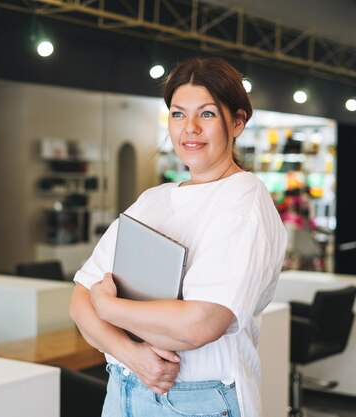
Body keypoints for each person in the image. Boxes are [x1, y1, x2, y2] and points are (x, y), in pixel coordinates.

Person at [69, 57, 287, 417]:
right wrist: (133, 355)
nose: (190, 129)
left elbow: (199, 324)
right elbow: (80, 300)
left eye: (207, 114)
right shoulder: (152, 200)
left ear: (237, 122)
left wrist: (109, 308)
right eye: (177, 114)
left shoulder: (243, 201)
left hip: (195, 399)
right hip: (123, 385)